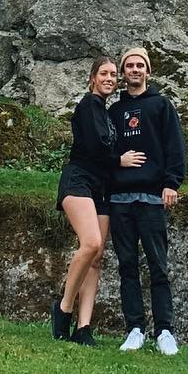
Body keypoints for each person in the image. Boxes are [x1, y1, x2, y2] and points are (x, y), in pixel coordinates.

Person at [53, 54, 146, 345]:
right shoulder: (88, 105)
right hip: (79, 180)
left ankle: (84, 327)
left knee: (96, 258)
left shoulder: (105, 111)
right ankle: (64, 307)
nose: (109, 78)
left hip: (101, 187)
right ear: (92, 78)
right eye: (103, 73)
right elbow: (94, 148)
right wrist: (120, 159)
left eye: (112, 75)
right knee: (90, 243)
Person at [110, 45, 187, 356]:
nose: (135, 70)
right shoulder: (113, 112)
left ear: (148, 71)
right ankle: (134, 329)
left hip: (153, 198)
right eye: (129, 65)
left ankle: (165, 331)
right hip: (120, 199)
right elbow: (102, 152)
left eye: (140, 65)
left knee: (158, 266)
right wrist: (118, 161)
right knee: (127, 266)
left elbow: (175, 147)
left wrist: (171, 183)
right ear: (123, 73)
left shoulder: (161, 106)